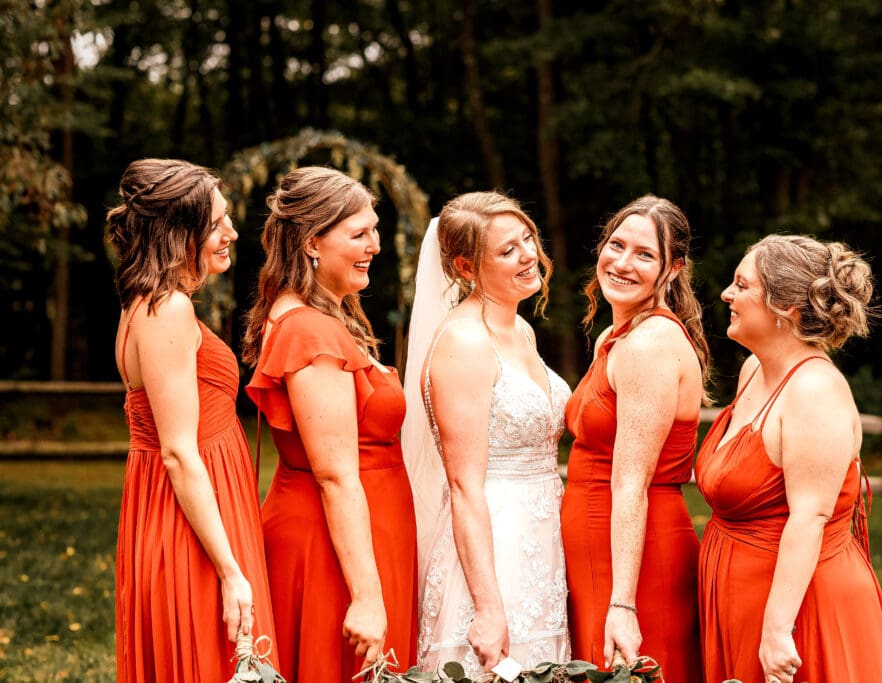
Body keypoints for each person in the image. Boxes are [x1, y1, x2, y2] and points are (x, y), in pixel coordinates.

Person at [696, 234, 882, 683]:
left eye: (742, 285)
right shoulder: (753, 371)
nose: (726, 295)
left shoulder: (814, 390)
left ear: (785, 308)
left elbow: (810, 517)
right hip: (738, 596)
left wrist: (776, 629)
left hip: (799, 607)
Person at [241, 166, 418, 681]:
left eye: (375, 231)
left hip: (362, 530)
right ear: (313, 242)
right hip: (333, 546)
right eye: (359, 234)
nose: (375, 246)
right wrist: (365, 596)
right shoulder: (311, 332)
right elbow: (335, 474)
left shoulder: (322, 315)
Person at [108, 158, 278, 681]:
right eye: (217, 222)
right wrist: (229, 571)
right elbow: (179, 451)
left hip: (197, 506)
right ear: (179, 231)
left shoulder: (147, 303)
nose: (230, 232)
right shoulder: (166, 309)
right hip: (190, 524)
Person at [406, 192, 570, 679]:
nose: (527, 255)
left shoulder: (520, 329)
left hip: (540, 539)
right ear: (465, 266)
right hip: (492, 546)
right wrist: (488, 605)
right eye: (507, 251)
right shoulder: (464, 342)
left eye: (528, 239)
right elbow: (463, 484)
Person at [561, 195, 709, 682]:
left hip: (636, 553)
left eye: (644, 254)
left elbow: (631, 482)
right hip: (598, 541)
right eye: (616, 245)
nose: (622, 263)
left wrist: (623, 602)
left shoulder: (650, 344)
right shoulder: (616, 336)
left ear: (672, 269)